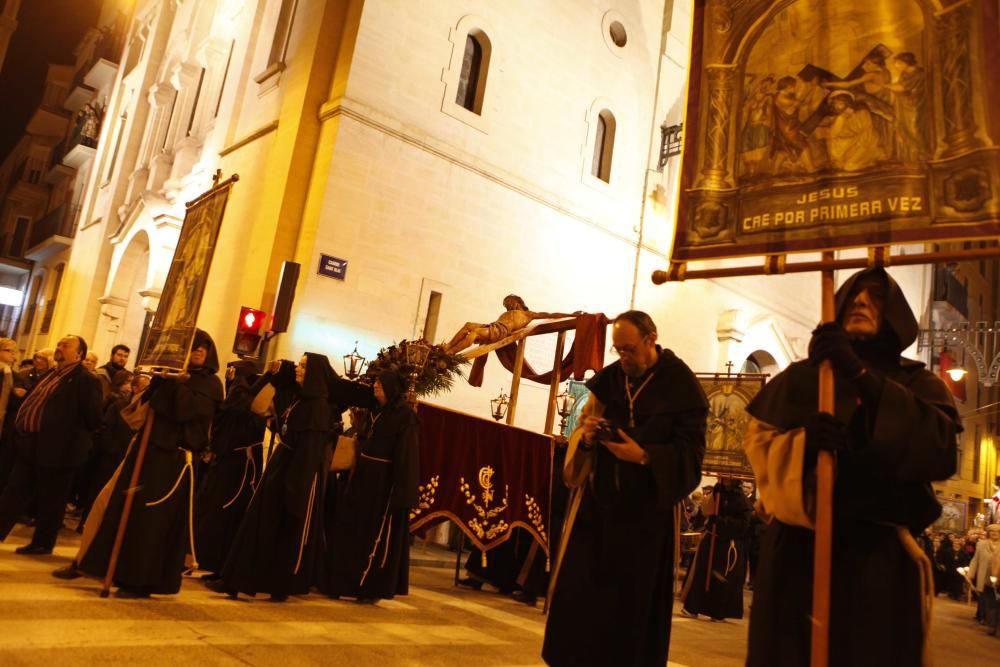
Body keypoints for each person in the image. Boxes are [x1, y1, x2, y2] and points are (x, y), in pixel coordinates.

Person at [743, 267, 961, 666]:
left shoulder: (917, 382)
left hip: (877, 564)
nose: (861, 301)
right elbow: (758, 448)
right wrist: (803, 445)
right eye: (854, 295)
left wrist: (861, 376)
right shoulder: (802, 379)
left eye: (875, 296)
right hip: (796, 558)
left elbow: (940, 449)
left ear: (893, 313)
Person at [542, 310, 708, 667]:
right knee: (580, 611)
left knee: (629, 621)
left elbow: (692, 460)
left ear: (651, 340)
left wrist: (646, 456)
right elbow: (583, 433)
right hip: (597, 515)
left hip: (646, 523)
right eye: (618, 350)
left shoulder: (682, 386)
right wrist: (586, 438)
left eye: (629, 349)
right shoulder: (609, 381)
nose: (624, 358)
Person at [78, 330, 223, 596]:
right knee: (130, 513)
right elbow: (145, 408)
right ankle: (120, 572)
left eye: (203, 347)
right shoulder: (165, 378)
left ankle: (143, 580)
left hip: (173, 460)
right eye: (193, 347)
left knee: (153, 523)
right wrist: (163, 380)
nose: (199, 352)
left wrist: (176, 383)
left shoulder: (211, 384)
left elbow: (188, 413)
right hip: (148, 453)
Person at [215, 354, 334, 601]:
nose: (298, 370)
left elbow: (309, 453)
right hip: (281, 467)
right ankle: (237, 580)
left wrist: (293, 490)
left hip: (294, 478)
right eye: (299, 366)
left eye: (303, 367)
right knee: (258, 524)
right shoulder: (299, 400)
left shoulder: (319, 409)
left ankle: (275, 584)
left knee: (280, 532)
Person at [0, 335, 103, 555]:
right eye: (59, 344)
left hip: (59, 450)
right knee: (14, 492)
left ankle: (43, 543)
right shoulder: (52, 374)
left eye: (65, 346)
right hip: (31, 444)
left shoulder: (85, 380)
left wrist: (65, 432)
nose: (59, 348)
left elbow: (93, 417)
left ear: (78, 354)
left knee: (51, 499)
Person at [325, 369, 420, 602]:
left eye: (380, 382)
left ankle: (368, 588)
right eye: (376, 381)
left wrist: (400, 491)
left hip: (382, 484)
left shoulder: (405, 415)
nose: (375, 385)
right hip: (361, 480)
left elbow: (406, 455)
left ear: (391, 388)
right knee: (350, 530)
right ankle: (341, 582)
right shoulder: (374, 411)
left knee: (372, 535)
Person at [193, 359, 266, 579]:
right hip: (226, 461)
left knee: (227, 512)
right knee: (213, 510)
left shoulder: (247, 399)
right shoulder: (238, 396)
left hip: (240, 466)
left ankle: (221, 563)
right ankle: (210, 560)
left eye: (233, 372)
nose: (229, 376)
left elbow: (236, 414)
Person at [681, 477, 751, 621]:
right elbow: (705, 511)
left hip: (727, 545)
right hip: (711, 540)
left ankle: (717, 611)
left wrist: (721, 522)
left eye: (729, 479)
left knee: (720, 578)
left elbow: (743, 525)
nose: (725, 480)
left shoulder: (741, 500)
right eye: (723, 478)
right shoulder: (717, 492)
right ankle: (693, 607)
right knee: (701, 573)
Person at [444, 295, 580, 354]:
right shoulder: (508, 313)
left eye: (509, 302)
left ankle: (451, 353)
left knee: (475, 332)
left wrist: (572, 315)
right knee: (468, 325)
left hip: (501, 331)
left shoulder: (528, 314)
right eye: (506, 304)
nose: (507, 306)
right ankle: (449, 345)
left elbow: (550, 315)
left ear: (517, 301)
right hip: (494, 326)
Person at [0, 338, 28, 491]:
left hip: (6, 429)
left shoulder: (15, 377)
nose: (14, 355)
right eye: (9, 351)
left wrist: (21, 396)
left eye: (14, 351)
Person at [969, 524, 1000, 624]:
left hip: (998, 577)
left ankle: (993, 620)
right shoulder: (981, 544)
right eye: (992, 531)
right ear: (988, 533)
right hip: (984, 575)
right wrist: (971, 574)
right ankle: (985, 618)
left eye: (997, 531)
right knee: (985, 598)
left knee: (996, 599)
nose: (995, 533)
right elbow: (975, 560)